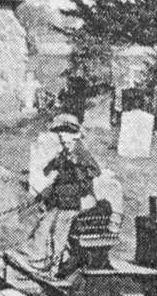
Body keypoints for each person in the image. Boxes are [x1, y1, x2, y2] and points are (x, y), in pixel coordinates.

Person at [26, 113, 101, 277]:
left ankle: (54, 268)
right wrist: (44, 194)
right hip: (63, 201)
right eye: (59, 132)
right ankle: (40, 260)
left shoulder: (81, 153)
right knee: (45, 223)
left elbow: (95, 171)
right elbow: (54, 175)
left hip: (76, 202)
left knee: (58, 233)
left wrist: (77, 168)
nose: (61, 135)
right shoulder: (64, 154)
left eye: (65, 131)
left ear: (74, 134)